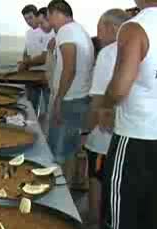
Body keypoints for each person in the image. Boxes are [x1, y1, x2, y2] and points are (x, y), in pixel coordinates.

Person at [100, 1, 157, 229]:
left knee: (121, 206)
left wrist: (105, 104)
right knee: (152, 201)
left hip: (135, 134)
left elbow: (119, 87)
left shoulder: (135, 27)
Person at [84, 9, 129, 227]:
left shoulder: (109, 52)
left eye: (100, 28)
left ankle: (95, 222)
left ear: (112, 27)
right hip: (132, 132)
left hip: (106, 133)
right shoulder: (142, 47)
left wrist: (87, 130)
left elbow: (99, 99)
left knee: (96, 175)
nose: (98, 34)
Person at [46, 0, 94, 184]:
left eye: (49, 17)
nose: (49, 22)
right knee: (70, 150)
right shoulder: (80, 30)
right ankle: (68, 192)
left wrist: (59, 98)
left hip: (69, 99)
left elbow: (69, 68)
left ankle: (57, 198)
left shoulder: (65, 31)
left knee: (58, 153)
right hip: (80, 97)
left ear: (55, 13)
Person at [18, 5, 54, 116]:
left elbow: (44, 58)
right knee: (31, 108)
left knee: (49, 106)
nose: (28, 21)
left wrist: (25, 63)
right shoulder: (28, 33)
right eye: (26, 19)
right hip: (32, 76)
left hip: (46, 75)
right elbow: (27, 53)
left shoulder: (48, 31)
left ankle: (47, 130)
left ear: (36, 15)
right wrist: (23, 66)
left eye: (30, 17)